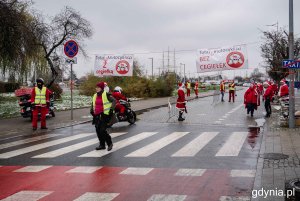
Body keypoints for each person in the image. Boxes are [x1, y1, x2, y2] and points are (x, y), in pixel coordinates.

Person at [90, 82, 116, 151]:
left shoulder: (106, 94)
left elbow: (114, 101)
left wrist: (111, 109)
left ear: (101, 88)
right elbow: (93, 103)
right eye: (96, 87)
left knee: (102, 131)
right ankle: (102, 145)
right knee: (98, 131)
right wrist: (91, 110)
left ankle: (109, 143)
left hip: (104, 115)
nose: (96, 88)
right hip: (96, 115)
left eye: (98, 87)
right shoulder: (95, 95)